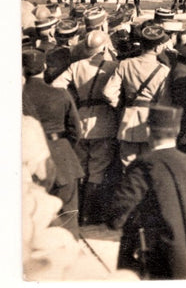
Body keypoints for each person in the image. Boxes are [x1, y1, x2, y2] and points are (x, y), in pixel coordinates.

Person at [108, 105, 186, 280]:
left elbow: (119, 211)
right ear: (177, 130)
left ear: (148, 129)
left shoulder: (144, 165)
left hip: (161, 254)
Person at [51, 30, 119, 226]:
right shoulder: (114, 66)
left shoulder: (76, 66)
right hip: (104, 122)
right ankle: (89, 214)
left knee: (80, 167)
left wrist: (73, 102)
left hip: (80, 120)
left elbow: (56, 86)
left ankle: (77, 212)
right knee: (98, 169)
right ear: (104, 47)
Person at [22, 48, 85, 237]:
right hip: (62, 156)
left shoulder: (18, 96)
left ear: (23, 69)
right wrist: (63, 147)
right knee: (68, 218)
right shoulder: (61, 94)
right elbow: (76, 131)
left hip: (29, 162)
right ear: (45, 67)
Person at [102, 24, 172, 167]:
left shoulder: (125, 64)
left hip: (129, 118)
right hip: (152, 121)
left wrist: (120, 106)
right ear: (158, 47)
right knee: (151, 167)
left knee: (128, 167)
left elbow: (107, 92)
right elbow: (164, 101)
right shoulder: (164, 70)